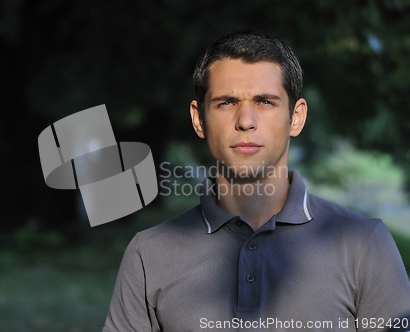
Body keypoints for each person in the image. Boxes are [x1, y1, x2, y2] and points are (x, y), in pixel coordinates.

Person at [102, 30, 410, 331]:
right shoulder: (148, 254)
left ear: (296, 117)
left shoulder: (365, 244)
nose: (246, 121)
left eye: (265, 102)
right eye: (226, 102)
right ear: (199, 120)